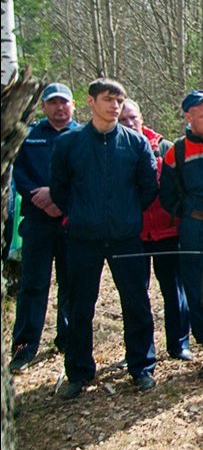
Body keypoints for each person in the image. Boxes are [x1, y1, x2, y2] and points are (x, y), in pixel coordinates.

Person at [50, 79, 159, 399]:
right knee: (80, 306)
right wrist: (84, 213)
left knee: (137, 302)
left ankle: (142, 367)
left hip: (126, 237)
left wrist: (125, 215)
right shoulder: (69, 144)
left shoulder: (135, 144)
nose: (115, 106)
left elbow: (148, 189)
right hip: (83, 238)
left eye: (120, 100)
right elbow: (59, 190)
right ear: (90, 102)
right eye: (108, 99)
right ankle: (79, 372)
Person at [8, 83, 80, 373]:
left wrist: (59, 198)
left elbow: (87, 175)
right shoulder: (31, 135)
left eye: (64, 103)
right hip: (37, 221)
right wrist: (40, 197)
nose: (59, 108)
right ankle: (25, 347)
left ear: (73, 106)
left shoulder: (82, 136)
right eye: (53, 103)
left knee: (71, 285)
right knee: (33, 285)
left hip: (70, 221)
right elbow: (18, 171)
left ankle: (67, 339)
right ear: (43, 107)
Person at [160, 90, 203, 378]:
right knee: (198, 291)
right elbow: (167, 194)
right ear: (188, 117)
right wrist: (188, 212)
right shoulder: (177, 151)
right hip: (195, 227)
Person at [118, 100, 188, 361]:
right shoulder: (113, 149)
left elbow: (178, 187)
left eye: (132, 118)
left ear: (142, 118)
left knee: (173, 290)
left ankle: (179, 344)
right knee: (134, 295)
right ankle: (138, 350)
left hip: (167, 231)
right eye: (123, 119)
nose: (128, 123)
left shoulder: (165, 147)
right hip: (132, 233)